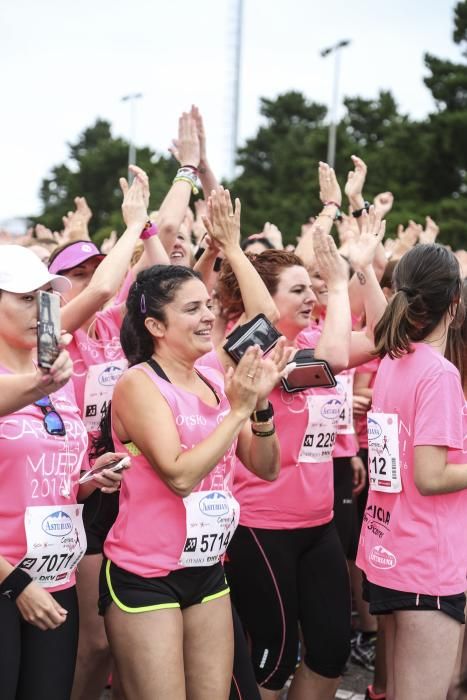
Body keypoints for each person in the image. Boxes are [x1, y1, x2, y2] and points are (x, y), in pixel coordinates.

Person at [213, 184, 387, 699]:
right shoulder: (250, 349)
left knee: (331, 651)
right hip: (262, 526)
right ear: (262, 301)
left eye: (312, 290)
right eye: (298, 291)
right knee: (273, 657)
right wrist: (337, 285)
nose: (311, 298)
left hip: (318, 524)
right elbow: (333, 360)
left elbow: (380, 336)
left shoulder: (311, 341)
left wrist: (364, 270)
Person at [99, 263, 288, 700]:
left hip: (206, 569)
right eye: (192, 308)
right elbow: (180, 475)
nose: (208, 315)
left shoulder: (212, 382)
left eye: (208, 304)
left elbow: (266, 467)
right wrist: (238, 409)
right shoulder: (138, 383)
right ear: (155, 325)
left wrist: (258, 407)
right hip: (146, 573)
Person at [0, 245, 123, 700]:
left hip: (54, 574)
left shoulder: (55, 373)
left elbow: (51, 477)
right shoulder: (45, 376)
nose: (40, 310)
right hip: (7, 579)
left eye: (45, 298)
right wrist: (14, 583)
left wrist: (91, 479)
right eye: (25, 298)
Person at [356, 244, 467, 700]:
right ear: (455, 304)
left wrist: (363, 265)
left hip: (390, 546)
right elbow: (431, 475)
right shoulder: (438, 374)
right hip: (428, 559)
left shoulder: (395, 360)